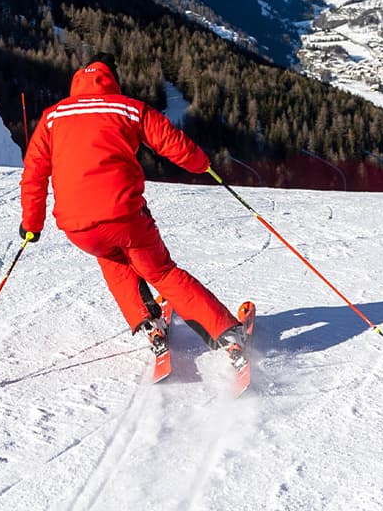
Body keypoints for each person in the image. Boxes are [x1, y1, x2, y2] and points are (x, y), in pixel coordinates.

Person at [20, 61, 250, 374]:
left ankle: (150, 325)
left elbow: (33, 174)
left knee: (113, 259)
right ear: (110, 82)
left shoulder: (53, 116)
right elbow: (172, 142)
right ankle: (227, 334)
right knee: (162, 272)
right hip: (123, 216)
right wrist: (203, 165)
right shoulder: (128, 109)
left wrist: (32, 225)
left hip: (78, 227)